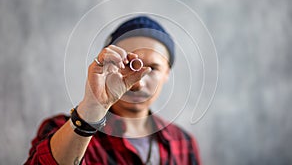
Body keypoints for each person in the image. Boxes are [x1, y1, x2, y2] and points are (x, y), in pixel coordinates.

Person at [25, 16, 202, 165]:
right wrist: (93, 107)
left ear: (167, 73)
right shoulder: (62, 130)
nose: (137, 83)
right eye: (129, 65)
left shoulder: (183, 142)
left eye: (153, 68)